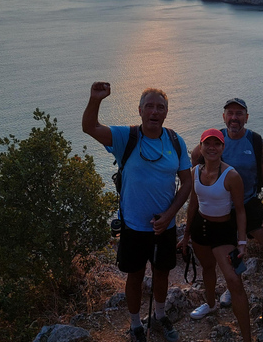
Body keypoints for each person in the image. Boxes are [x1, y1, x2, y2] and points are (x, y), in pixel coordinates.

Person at [82, 82, 192, 342]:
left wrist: (169, 215)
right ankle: (134, 325)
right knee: (135, 275)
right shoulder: (125, 137)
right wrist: (95, 99)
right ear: (140, 110)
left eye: (160, 107)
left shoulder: (175, 141)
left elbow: (187, 182)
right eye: (150, 106)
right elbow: (89, 127)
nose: (155, 111)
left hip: (164, 226)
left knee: (162, 272)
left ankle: (161, 315)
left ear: (166, 112)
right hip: (132, 226)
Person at [189, 97, 263, 324]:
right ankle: (224, 294)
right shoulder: (211, 143)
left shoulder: (257, 143)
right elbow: (194, 174)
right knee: (226, 252)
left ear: (246, 117)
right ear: (224, 117)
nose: (234, 118)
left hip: (248, 203)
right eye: (230, 113)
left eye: (239, 113)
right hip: (218, 207)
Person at [180, 129, 252, 342]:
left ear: (223, 147)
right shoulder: (195, 172)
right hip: (200, 228)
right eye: (207, 144)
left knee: (234, 281)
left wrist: (241, 242)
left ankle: (247, 337)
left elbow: (240, 210)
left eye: (217, 144)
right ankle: (211, 305)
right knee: (207, 268)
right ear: (200, 147)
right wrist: (185, 236)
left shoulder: (232, 176)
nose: (212, 148)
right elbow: (193, 204)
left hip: (223, 232)